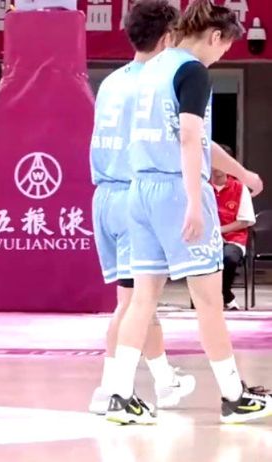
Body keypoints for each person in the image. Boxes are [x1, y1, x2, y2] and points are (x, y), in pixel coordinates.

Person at [106, 0, 271, 425]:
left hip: (139, 190)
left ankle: (119, 395)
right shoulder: (192, 71)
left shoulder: (149, 69)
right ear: (215, 36)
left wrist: (242, 174)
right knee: (209, 301)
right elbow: (189, 138)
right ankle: (233, 397)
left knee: (143, 299)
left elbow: (190, 137)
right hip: (177, 190)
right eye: (225, 47)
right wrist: (196, 202)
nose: (222, 56)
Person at [89, 0, 195, 415]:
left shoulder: (112, 81)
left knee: (139, 301)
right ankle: (107, 389)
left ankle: (166, 380)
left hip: (104, 195)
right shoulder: (156, 83)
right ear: (168, 38)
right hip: (135, 194)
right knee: (133, 303)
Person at [211, 151, 255, 311]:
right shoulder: (202, 187)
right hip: (207, 239)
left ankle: (220, 295)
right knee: (200, 260)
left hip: (232, 239)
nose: (218, 167)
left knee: (228, 257)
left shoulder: (240, 188)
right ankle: (225, 297)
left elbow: (244, 221)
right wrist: (212, 234)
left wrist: (220, 231)